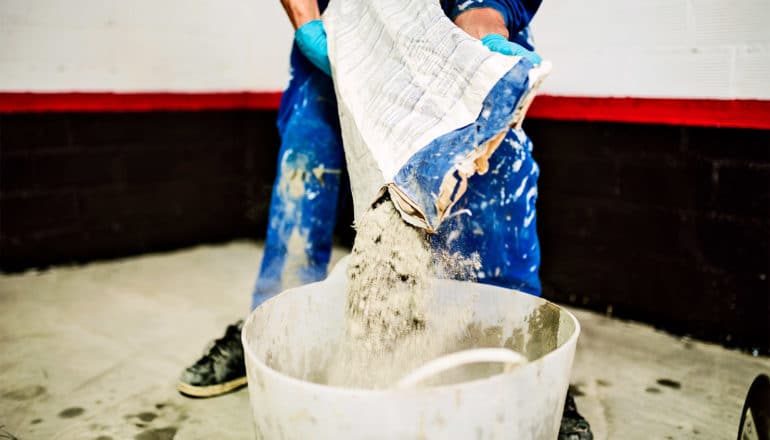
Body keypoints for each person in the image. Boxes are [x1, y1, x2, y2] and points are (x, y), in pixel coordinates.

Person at [177, 0, 543, 398]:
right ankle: (274, 331)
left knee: (501, 171)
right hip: (349, 28)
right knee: (308, 157)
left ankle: (520, 353)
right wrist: (307, 21)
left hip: (453, 35)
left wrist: (488, 14)